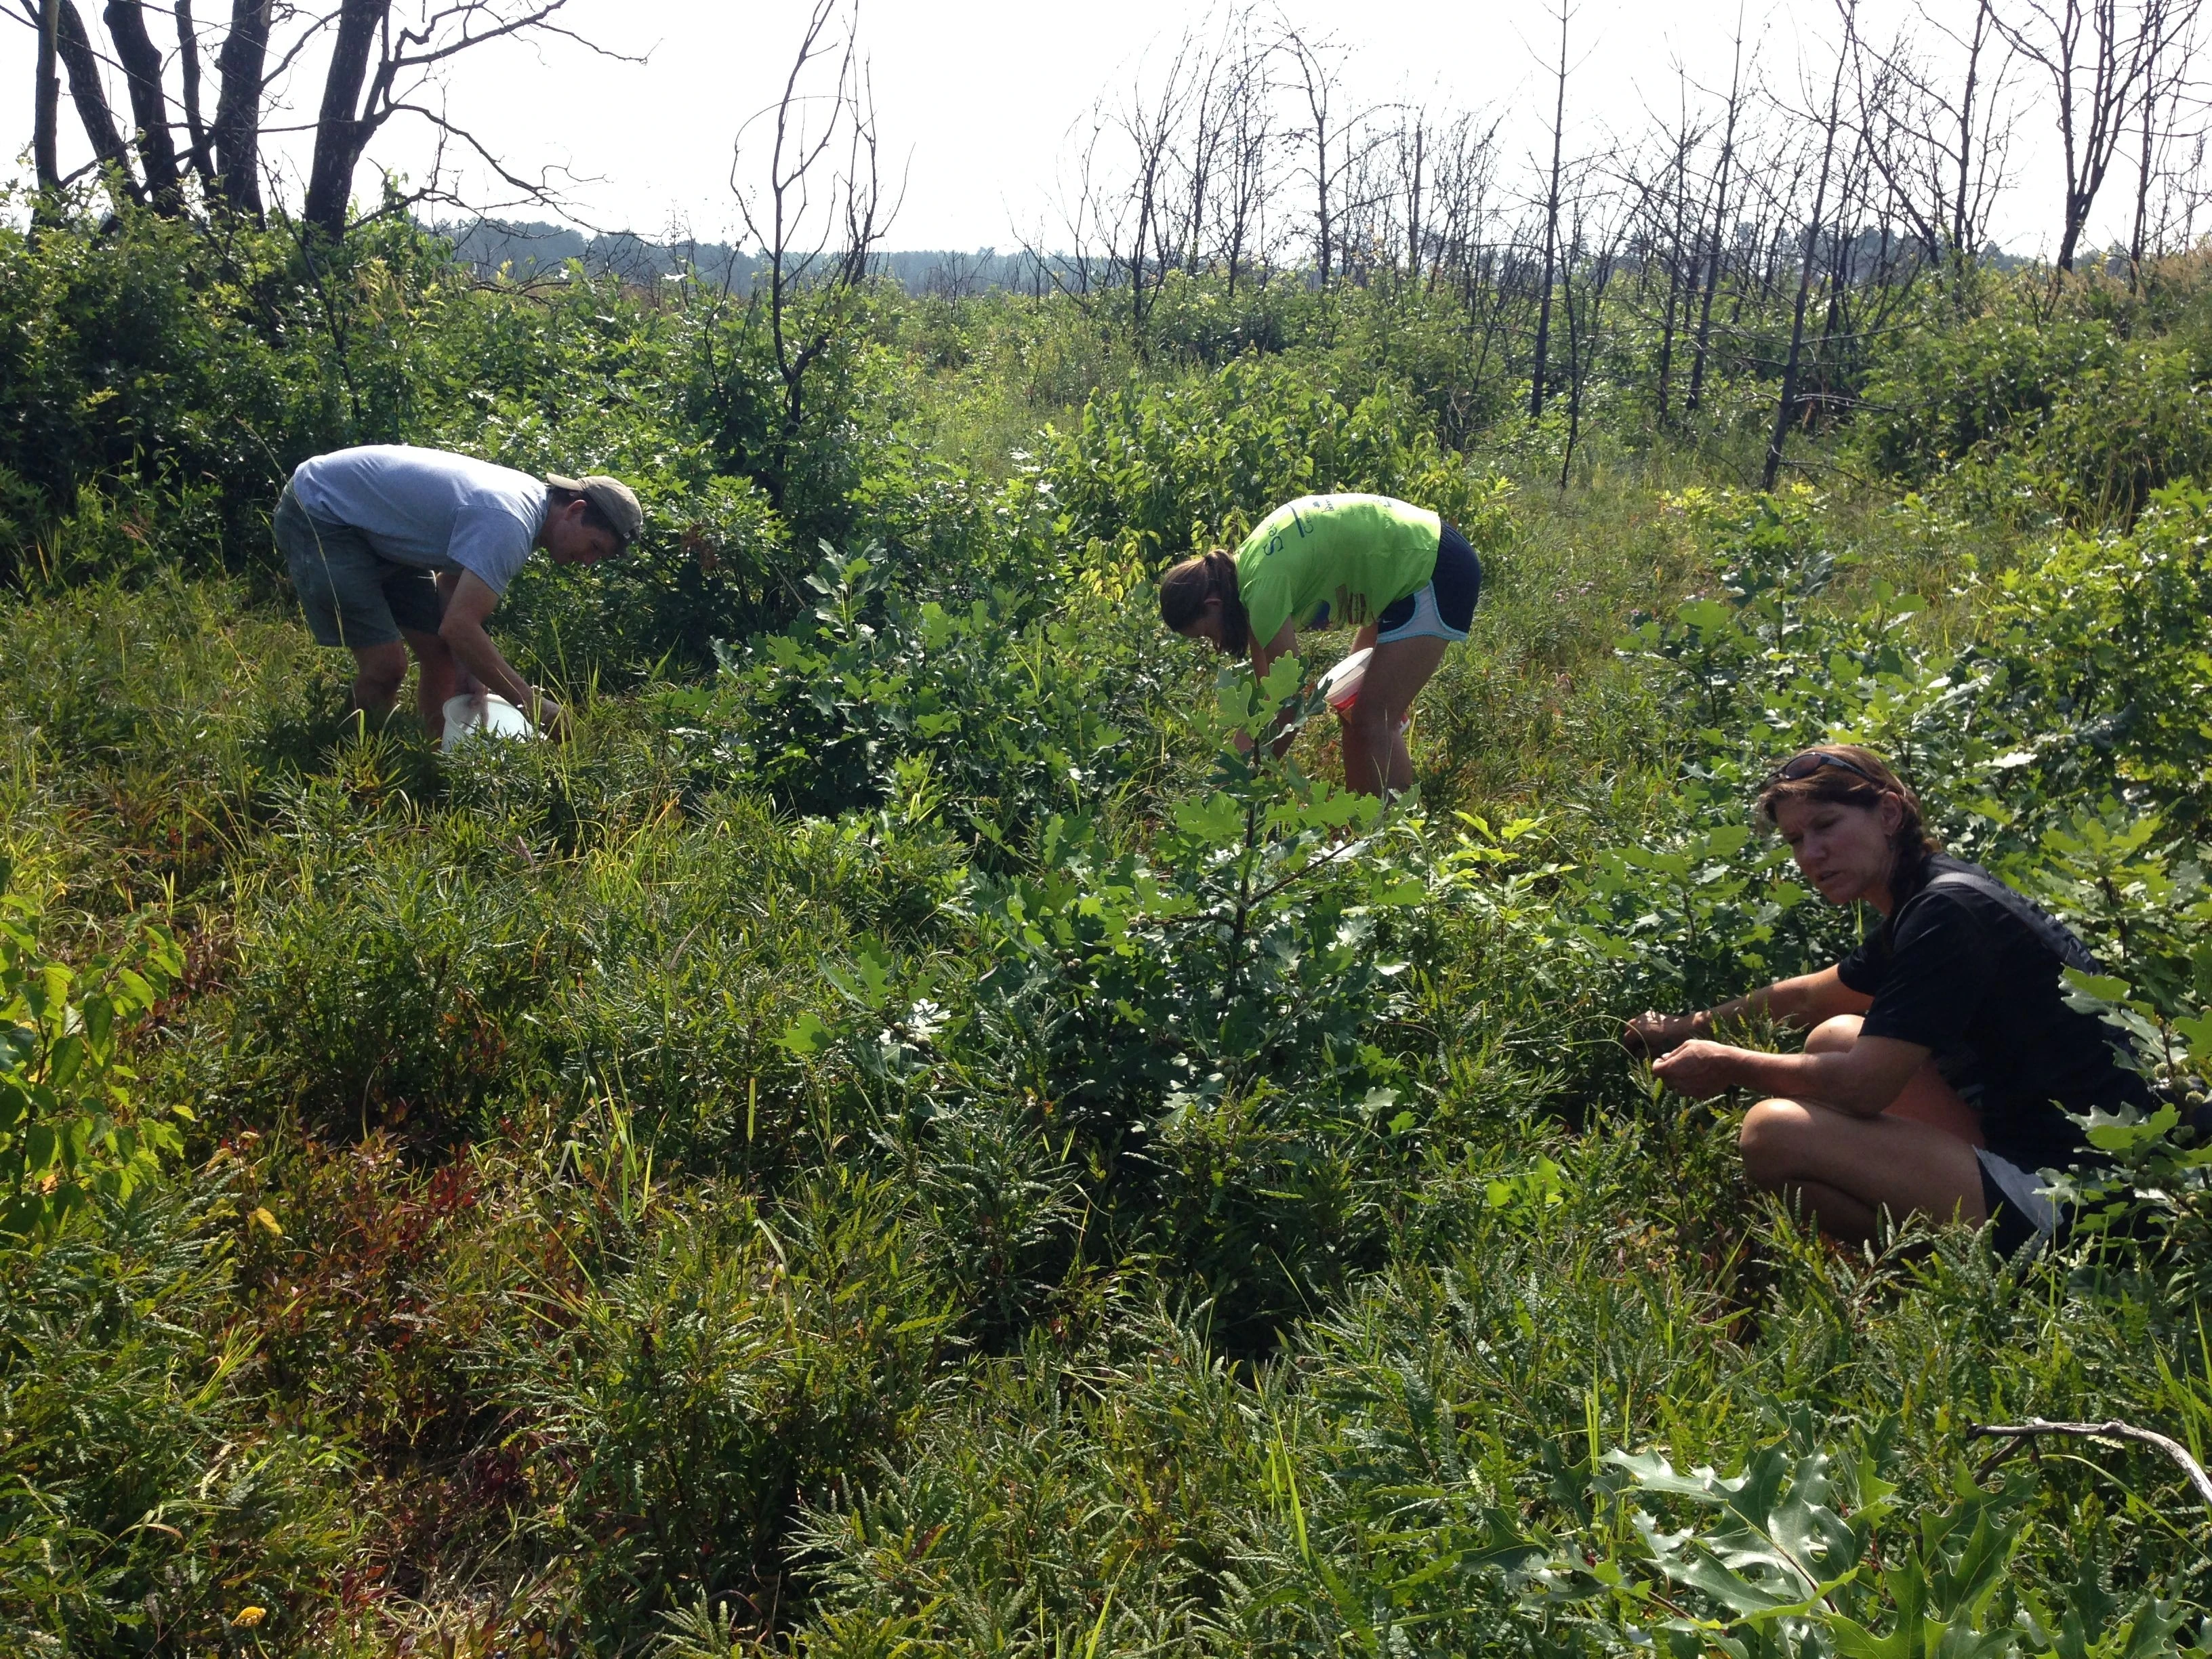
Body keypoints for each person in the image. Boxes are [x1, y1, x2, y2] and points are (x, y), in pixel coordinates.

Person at [1624, 744, 2151, 1256]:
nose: (1811, 854)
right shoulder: (1933, 894)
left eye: (1826, 826)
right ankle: (1962, 1228)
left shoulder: (1946, 914)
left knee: (1771, 1133)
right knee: (1836, 1034)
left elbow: (1863, 1088)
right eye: (1795, 839)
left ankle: (1963, 1277)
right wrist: (1687, 1026)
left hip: (2082, 1197)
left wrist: (1727, 1063)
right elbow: (1814, 997)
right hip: (2046, 1142)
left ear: (1889, 812)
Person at [274, 444, 641, 743]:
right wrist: (535, 707)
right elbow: (460, 626)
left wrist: (470, 667)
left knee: (445, 661)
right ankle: (344, 755)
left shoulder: (527, 510)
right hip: (322, 512)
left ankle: (432, 755)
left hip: (373, 530)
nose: (589, 562)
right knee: (387, 667)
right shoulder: (511, 522)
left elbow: (450, 582)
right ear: (575, 510)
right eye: (595, 547)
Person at [1158, 493, 1481, 796]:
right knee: (1353, 706)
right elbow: (1268, 699)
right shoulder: (1245, 576)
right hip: (1407, 561)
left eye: (1206, 635)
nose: (1215, 645)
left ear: (1213, 603)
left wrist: (1235, 788)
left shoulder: (1262, 590)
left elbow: (1289, 702)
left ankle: (1392, 839)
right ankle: (1362, 827)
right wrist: (1235, 770)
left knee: (1374, 719)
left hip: (1432, 567)